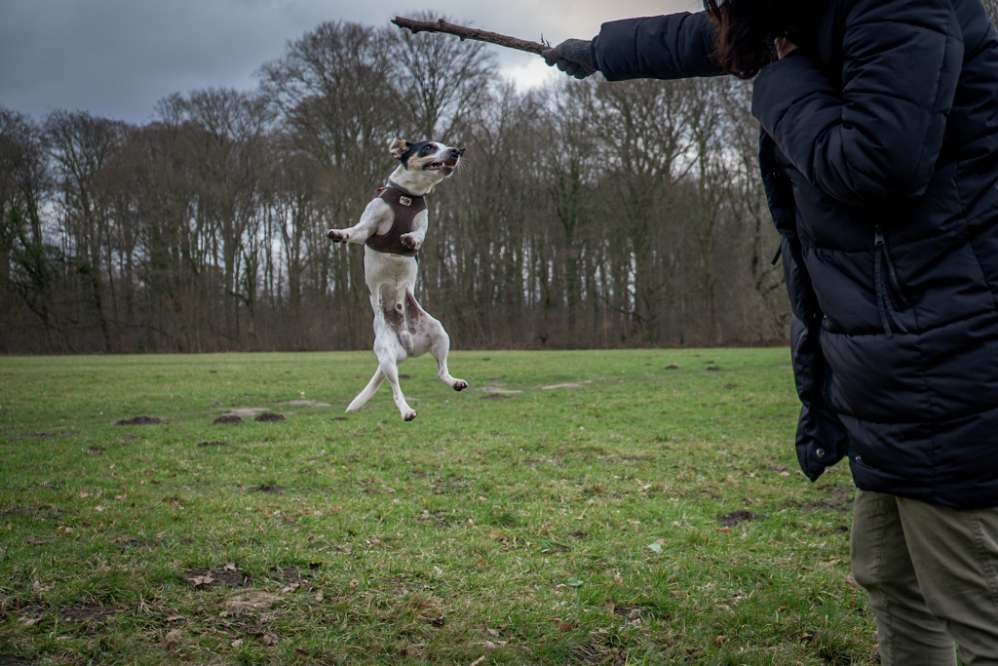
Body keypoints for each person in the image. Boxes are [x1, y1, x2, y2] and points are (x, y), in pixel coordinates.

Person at [543, 1, 998, 663]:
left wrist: (779, 81)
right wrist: (603, 51)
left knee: (977, 601)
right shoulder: (810, 9)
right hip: (895, 367)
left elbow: (876, 162)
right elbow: (715, 36)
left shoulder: (899, 3)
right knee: (893, 579)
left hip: (952, 361)